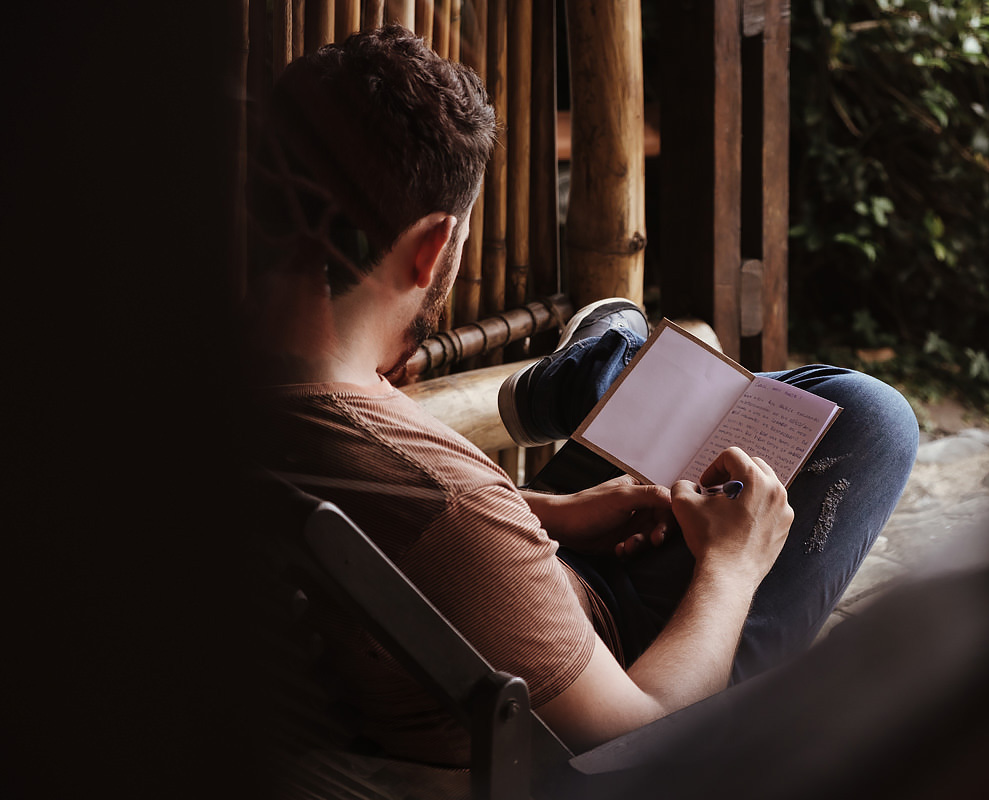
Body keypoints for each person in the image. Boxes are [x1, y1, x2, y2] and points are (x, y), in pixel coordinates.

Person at [243, 23, 919, 768]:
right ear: (433, 246)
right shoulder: (449, 503)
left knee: (780, 401)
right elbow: (634, 738)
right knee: (870, 418)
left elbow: (388, 529)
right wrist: (735, 565)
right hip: (599, 673)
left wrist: (552, 514)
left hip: (514, 586)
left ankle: (608, 366)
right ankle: (606, 365)